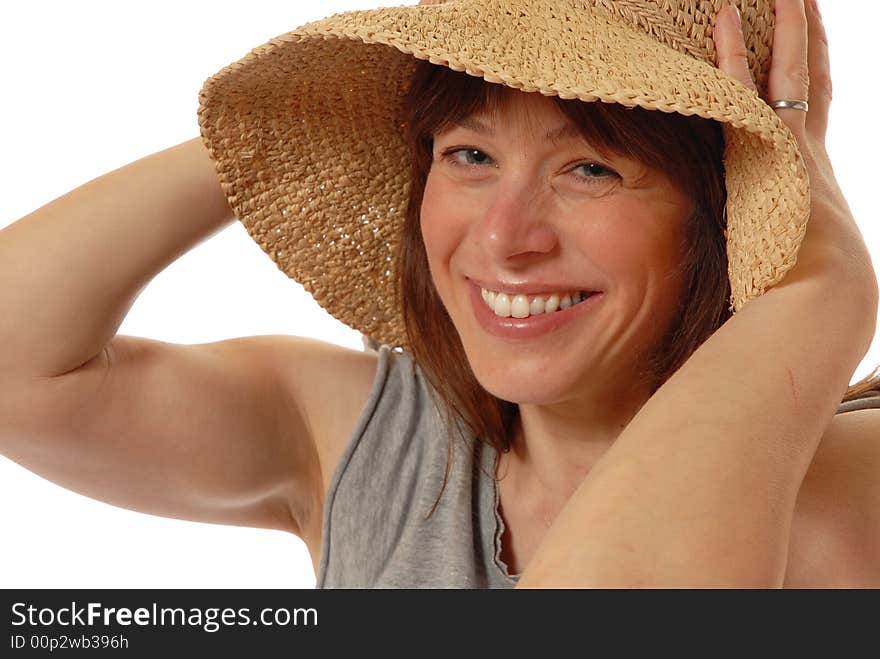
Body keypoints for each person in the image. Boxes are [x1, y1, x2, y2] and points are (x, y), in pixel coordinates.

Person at [1, 0, 878, 588]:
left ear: (721, 208)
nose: (504, 239)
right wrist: (300, 122)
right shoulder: (376, 439)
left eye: (589, 167)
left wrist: (818, 290)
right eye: (468, 154)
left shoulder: (850, 475)